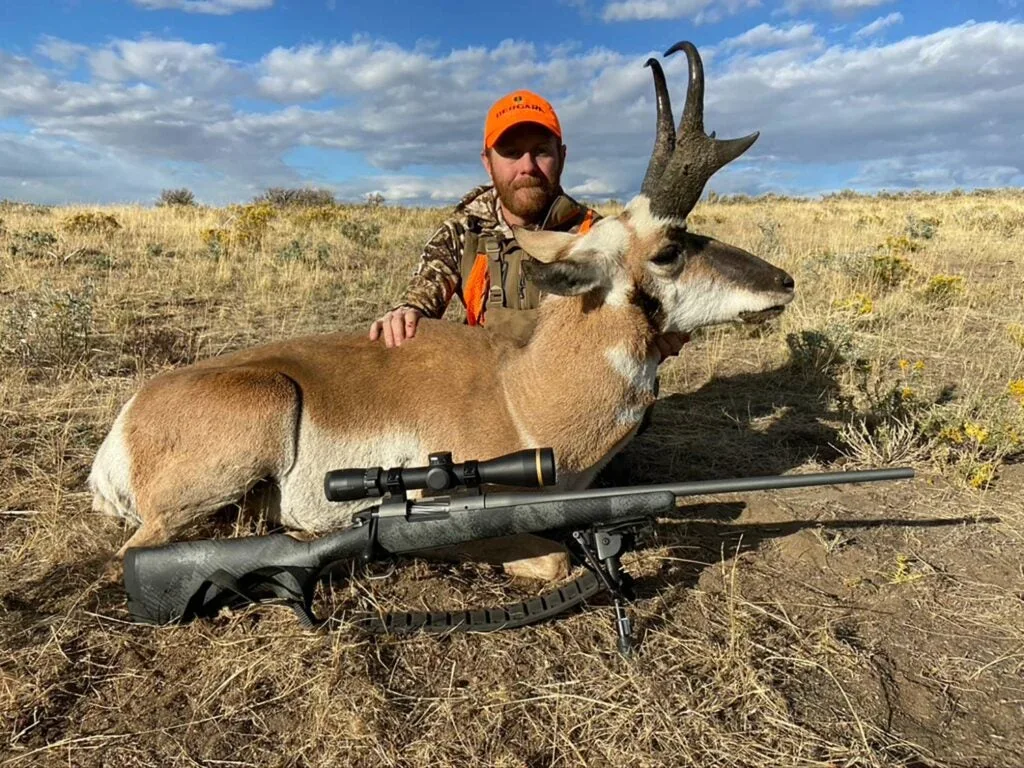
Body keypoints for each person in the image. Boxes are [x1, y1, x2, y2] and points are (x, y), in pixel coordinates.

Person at [367, 88, 688, 360]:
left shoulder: (599, 237)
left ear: (561, 156)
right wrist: (406, 315)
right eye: (511, 153)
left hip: (573, 391)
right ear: (487, 162)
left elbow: (647, 313)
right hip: (489, 393)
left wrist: (657, 338)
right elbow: (419, 303)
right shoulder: (463, 232)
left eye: (541, 152)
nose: (527, 167)